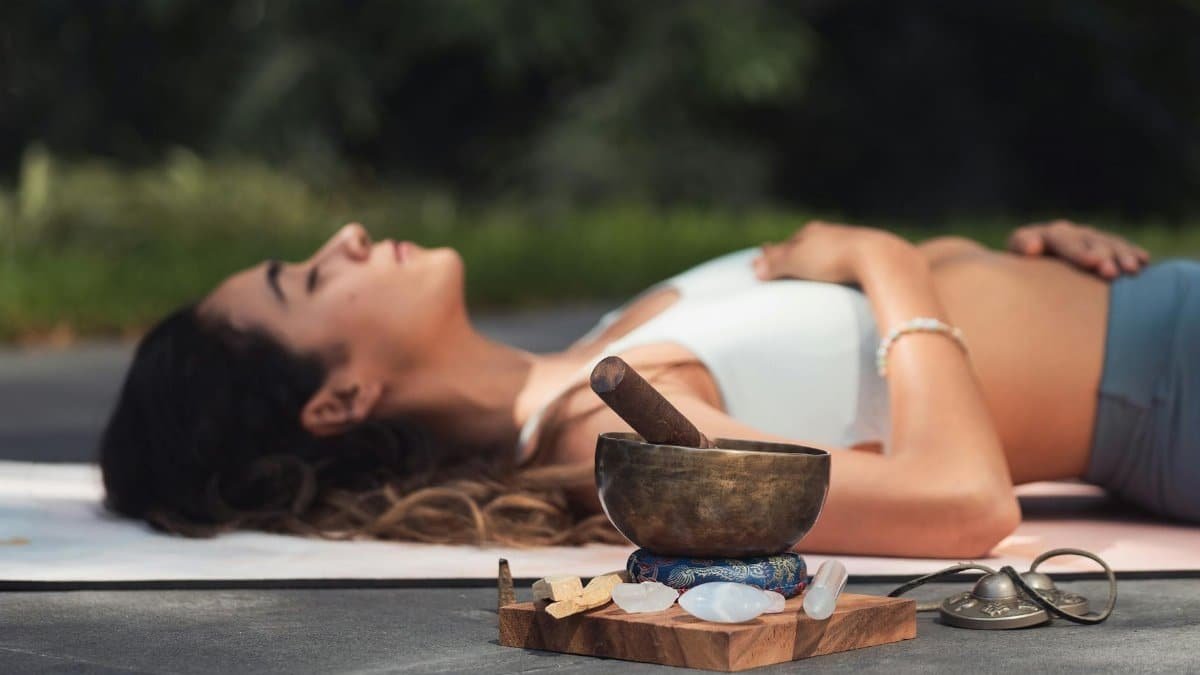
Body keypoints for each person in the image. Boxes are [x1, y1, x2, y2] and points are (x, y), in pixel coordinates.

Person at [99, 219, 1198, 557]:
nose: (340, 240)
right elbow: (964, 504)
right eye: (305, 281)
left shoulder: (594, 350)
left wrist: (1000, 255)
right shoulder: (606, 439)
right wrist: (890, 261)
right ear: (335, 401)